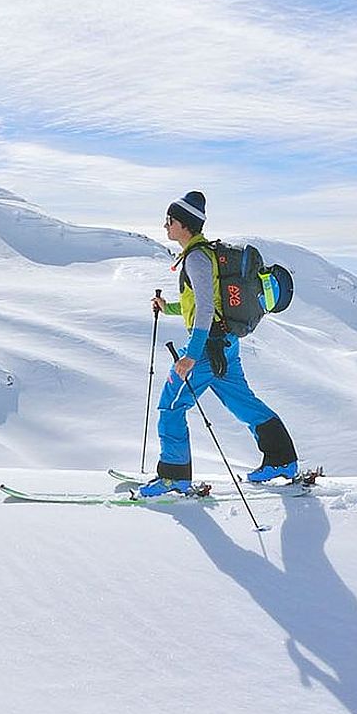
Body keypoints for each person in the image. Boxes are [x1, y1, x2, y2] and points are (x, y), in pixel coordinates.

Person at [133, 191, 300, 497]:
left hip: (206, 349)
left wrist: (190, 357)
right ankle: (283, 461)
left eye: (169, 220)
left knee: (170, 405)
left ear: (183, 224)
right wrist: (168, 306)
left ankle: (174, 476)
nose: (165, 226)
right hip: (224, 344)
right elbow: (200, 303)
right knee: (243, 403)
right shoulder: (202, 254)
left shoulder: (196, 258)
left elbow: (206, 308)